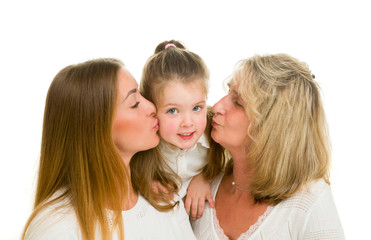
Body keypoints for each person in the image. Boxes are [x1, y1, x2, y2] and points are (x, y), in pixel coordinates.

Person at [21, 58, 196, 240]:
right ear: (96, 128)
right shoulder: (57, 228)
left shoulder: (165, 199)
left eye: (142, 95)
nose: (152, 107)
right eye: (134, 103)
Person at [192, 54, 345, 239]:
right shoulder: (202, 184)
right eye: (228, 92)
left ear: (272, 127)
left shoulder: (310, 202)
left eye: (238, 102)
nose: (216, 106)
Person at [131, 40, 225, 220]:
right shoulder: (141, 144)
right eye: (173, 111)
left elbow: (233, 165)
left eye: (197, 108)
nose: (188, 123)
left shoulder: (216, 133)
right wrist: (144, 182)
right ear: (152, 109)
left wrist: (204, 177)